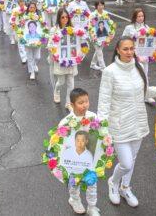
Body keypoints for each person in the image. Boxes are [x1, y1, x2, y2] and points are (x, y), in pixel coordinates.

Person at [98, 37, 156, 208]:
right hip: (119, 125)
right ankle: (113, 182)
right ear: (118, 50)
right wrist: (102, 127)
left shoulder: (139, 68)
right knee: (126, 163)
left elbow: (144, 92)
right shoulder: (110, 71)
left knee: (133, 159)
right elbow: (104, 102)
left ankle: (125, 187)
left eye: (132, 49)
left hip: (138, 122)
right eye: (126, 49)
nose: (129, 52)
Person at [58, 88, 100, 216]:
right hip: (73, 158)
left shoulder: (93, 117)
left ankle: (92, 207)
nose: (85, 105)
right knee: (74, 182)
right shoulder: (66, 122)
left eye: (86, 101)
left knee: (92, 182)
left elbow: (99, 135)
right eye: (80, 102)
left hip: (89, 157)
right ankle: (74, 199)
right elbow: (60, 142)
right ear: (72, 104)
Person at [122, 8, 156, 104]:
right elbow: (122, 40)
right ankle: (128, 96)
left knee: (145, 75)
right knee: (132, 76)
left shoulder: (147, 27)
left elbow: (151, 39)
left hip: (144, 56)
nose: (141, 18)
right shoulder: (129, 28)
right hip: (132, 56)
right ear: (135, 17)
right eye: (139, 16)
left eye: (142, 16)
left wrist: (152, 50)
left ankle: (146, 96)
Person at [49, 8, 78, 107]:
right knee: (61, 82)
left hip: (71, 60)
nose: (65, 19)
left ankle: (68, 103)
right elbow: (50, 44)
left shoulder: (72, 29)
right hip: (60, 60)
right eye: (62, 17)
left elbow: (77, 43)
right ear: (59, 18)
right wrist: (54, 52)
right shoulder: (54, 30)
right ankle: (56, 91)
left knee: (71, 83)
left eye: (66, 17)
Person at [24, 2, 42, 80]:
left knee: (37, 57)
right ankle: (31, 72)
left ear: (35, 8)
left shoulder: (39, 18)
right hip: (28, 41)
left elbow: (44, 27)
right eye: (30, 7)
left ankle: (35, 65)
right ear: (28, 8)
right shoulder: (24, 17)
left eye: (33, 7)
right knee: (30, 56)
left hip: (37, 40)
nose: (32, 9)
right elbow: (21, 28)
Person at [90, 1, 110, 71]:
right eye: (99, 5)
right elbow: (90, 25)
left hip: (103, 35)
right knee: (99, 51)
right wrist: (93, 35)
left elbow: (108, 23)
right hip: (95, 35)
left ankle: (93, 64)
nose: (100, 7)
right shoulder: (93, 14)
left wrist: (109, 33)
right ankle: (103, 67)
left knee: (99, 50)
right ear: (96, 6)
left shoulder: (105, 13)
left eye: (102, 5)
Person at [10, 0, 28, 64]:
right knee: (20, 43)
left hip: (26, 28)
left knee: (26, 41)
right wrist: (12, 23)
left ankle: (28, 55)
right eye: (20, 1)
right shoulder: (15, 9)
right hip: (18, 27)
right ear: (18, 3)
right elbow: (12, 18)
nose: (22, 3)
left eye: (23, 1)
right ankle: (23, 57)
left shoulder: (27, 9)